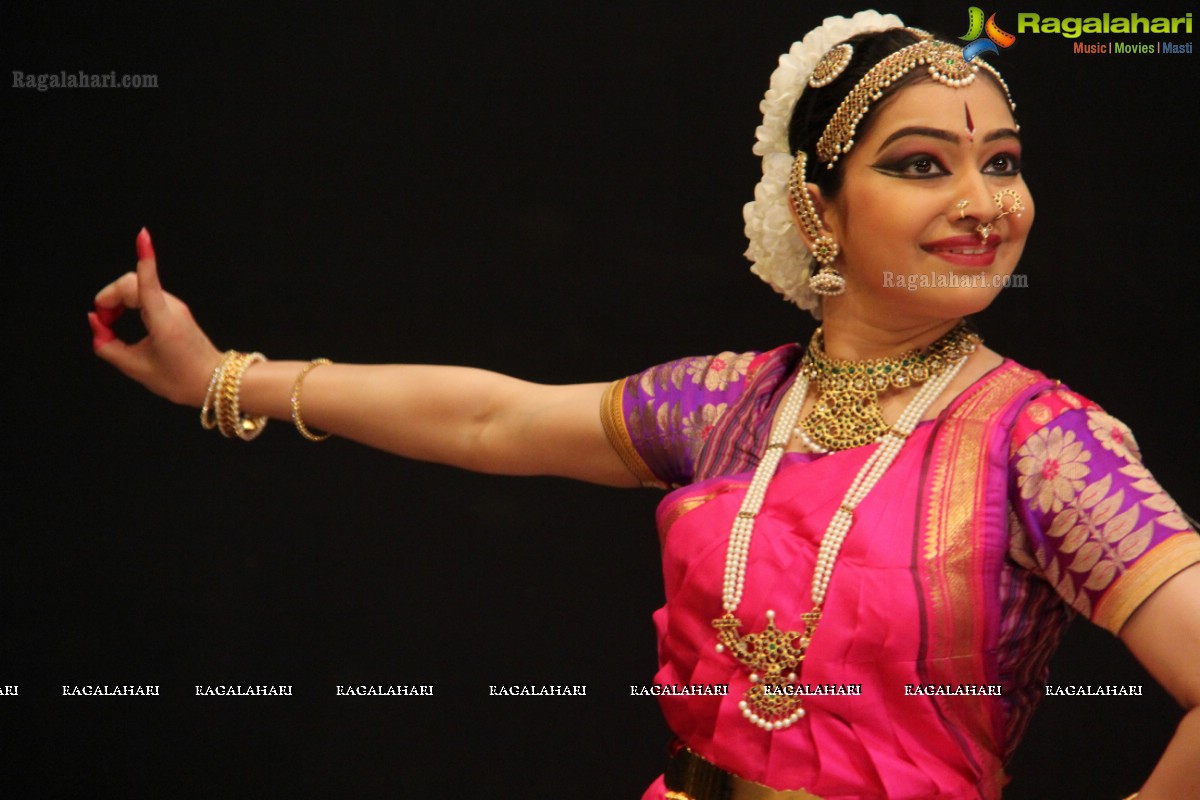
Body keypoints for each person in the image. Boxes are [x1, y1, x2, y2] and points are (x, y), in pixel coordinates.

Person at [89, 11, 1199, 800]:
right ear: (820, 209)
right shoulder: (734, 403)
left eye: (1001, 162)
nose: (983, 203)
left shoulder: (1042, 445)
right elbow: (493, 419)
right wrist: (223, 377)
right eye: (923, 164)